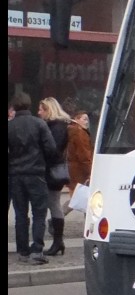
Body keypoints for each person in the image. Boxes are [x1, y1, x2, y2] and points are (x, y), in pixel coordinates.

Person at [8, 92, 59, 264]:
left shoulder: (10, 126)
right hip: (36, 173)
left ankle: (22, 251)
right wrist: (44, 162)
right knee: (39, 213)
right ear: (29, 105)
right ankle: (36, 250)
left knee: (20, 214)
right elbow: (51, 149)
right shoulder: (39, 124)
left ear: (14, 107)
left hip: (16, 175)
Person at [38, 97, 71, 256]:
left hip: (51, 172)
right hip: (51, 170)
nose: (39, 113)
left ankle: (58, 241)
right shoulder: (55, 126)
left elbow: (54, 150)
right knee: (53, 204)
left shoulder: (56, 127)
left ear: (48, 110)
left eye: (41, 110)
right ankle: (58, 242)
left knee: (53, 204)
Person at [64, 108, 94, 215]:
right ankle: (57, 219)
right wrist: (91, 171)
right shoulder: (80, 133)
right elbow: (84, 155)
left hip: (74, 170)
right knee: (85, 198)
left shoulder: (71, 130)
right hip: (81, 171)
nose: (87, 122)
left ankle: (57, 219)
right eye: (84, 119)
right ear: (77, 119)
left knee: (78, 198)